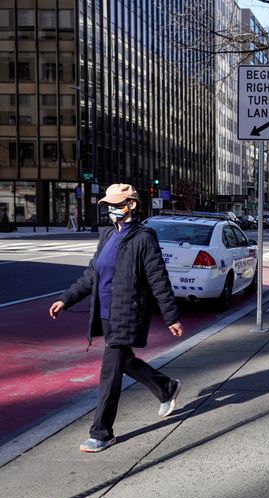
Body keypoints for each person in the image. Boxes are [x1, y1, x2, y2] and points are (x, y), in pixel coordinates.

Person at [49, 183, 184, 453]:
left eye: (116, 205)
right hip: (106, 313)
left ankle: (102, 432)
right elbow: (92, 275)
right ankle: (166, 387)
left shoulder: (144, 238)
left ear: (131, 204)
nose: (111, 210)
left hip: (129, 312)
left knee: (110, 371)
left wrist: (171, 316)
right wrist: (66, 298)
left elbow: (158, 279)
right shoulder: (108, 235)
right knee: (125, 361)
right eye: (108, 206)